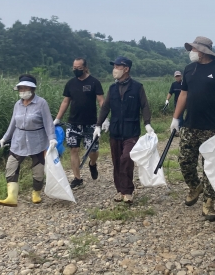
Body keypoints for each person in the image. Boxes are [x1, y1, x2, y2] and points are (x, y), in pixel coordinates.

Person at [171, 36, 215, 222]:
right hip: (190, 125)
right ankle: (194, 186)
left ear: (203, 50)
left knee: (210, 166)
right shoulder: (189, 69)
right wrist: (176, 118)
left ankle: (209, 202)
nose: (191, 52)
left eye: (194, 49)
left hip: (211, 127)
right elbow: (183, 95)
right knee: (184, 161)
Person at [96, 56, 152, 204]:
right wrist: (98, 125)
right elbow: (105, 107)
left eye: (117, 66)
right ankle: (120, 190)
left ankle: (128, 191)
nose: (114, 70)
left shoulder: (137, 87)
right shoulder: (112, 88)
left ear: (126, 69)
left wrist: (147, 123)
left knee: (126, 158)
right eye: (114, 66)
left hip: (131, 130)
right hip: (115, 130)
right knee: (116, 161)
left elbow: (145, 106)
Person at [0, 74, 56, 207]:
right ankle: (11, 197)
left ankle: (36, 193)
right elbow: (13, 123)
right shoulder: (17, 104)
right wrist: (5, 138)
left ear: (32, 89)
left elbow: (48, 123)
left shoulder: (41, 103)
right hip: (18, 140)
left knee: (38, 168)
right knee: (11, 166)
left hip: (37, 140)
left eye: (25, 88)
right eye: (21, 89)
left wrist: (52, 138)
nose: (23, 91)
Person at [53, 58, 105, 190]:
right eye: (74, 68)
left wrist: (104, 118)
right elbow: (66, 102)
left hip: (91, 123)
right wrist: (57, 119)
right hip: (73, 123)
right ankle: (77, 178)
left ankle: (92, 164)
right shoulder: (70, 83)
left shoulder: (94, 82)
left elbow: (101, 101)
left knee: (93, 150)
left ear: (85, 67)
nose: (76, 70)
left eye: (79, 68)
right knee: (73, 149)